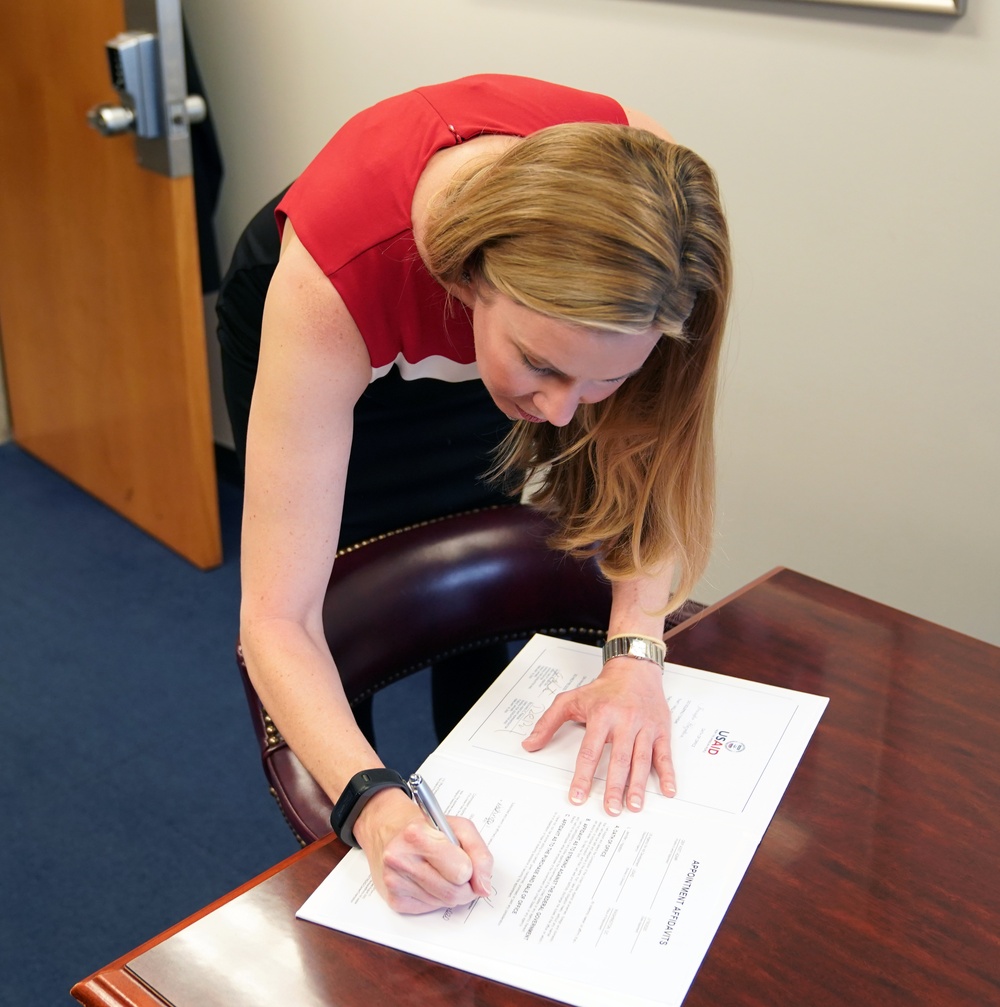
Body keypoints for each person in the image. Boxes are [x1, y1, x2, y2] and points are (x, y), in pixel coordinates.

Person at [217, 74, 731, 916]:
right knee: (355, 584)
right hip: (339, 305)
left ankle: (484, 765)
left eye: (607, 379)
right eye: (546, 368)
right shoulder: (332, 282)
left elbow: (651, 461)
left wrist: (635, 653)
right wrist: (372, 807)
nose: (564, 413)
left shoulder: (660, 226)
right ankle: (367, 811)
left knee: (473, 541)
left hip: (497, 321)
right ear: (468, 287)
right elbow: (277, 618)